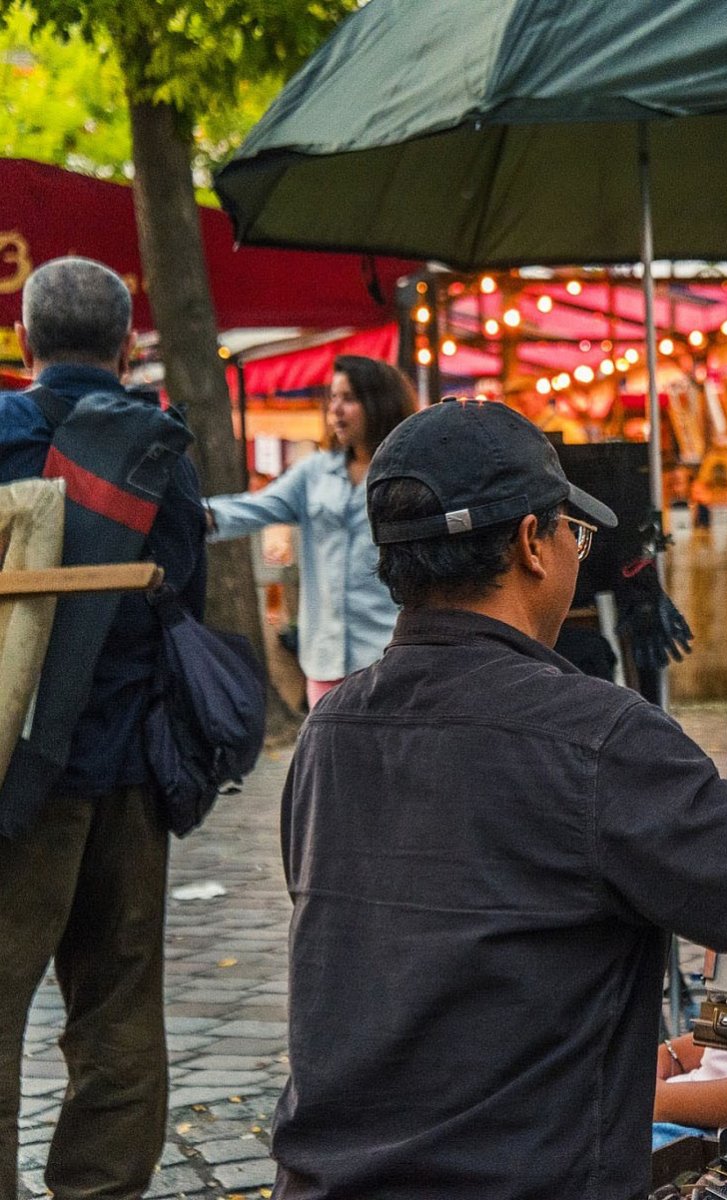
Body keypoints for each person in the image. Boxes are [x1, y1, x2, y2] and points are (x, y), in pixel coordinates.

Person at [269, 399, 727, 1199]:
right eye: (571, 533)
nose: (576, 554)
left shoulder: (332, 728)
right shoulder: (592, 736)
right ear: (530, 545)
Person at [0, 258, 206, 1199]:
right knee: (120, 1010)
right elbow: (186, 603)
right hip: (127, 769)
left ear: (28, 339)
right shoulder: (161, 448)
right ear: (127, 345)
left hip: (10, 772)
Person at [205, 355, 416, 707]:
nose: (335, 410)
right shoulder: (314, 473)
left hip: (390, 655)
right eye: (331, 399)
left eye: (348, 399)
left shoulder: (409, 475)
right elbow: (251, 509)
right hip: (324, 660)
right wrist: (189, 513)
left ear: (379, 403)